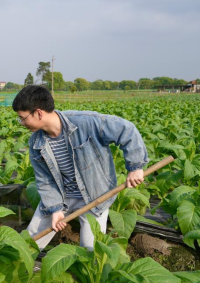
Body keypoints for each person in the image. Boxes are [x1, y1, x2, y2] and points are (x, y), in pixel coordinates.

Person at [12, 85, 148, 251]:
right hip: (62, 197)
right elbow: (45, 180)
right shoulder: (36, 143)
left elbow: (127, 130)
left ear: (39, 113)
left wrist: (135, 167)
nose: (21, 122)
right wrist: (55, 209)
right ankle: (20, 268)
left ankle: (88, 276)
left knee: (91, 250)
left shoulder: (86, 123)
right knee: (31, 239)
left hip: (94, 197)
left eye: (22, 118)